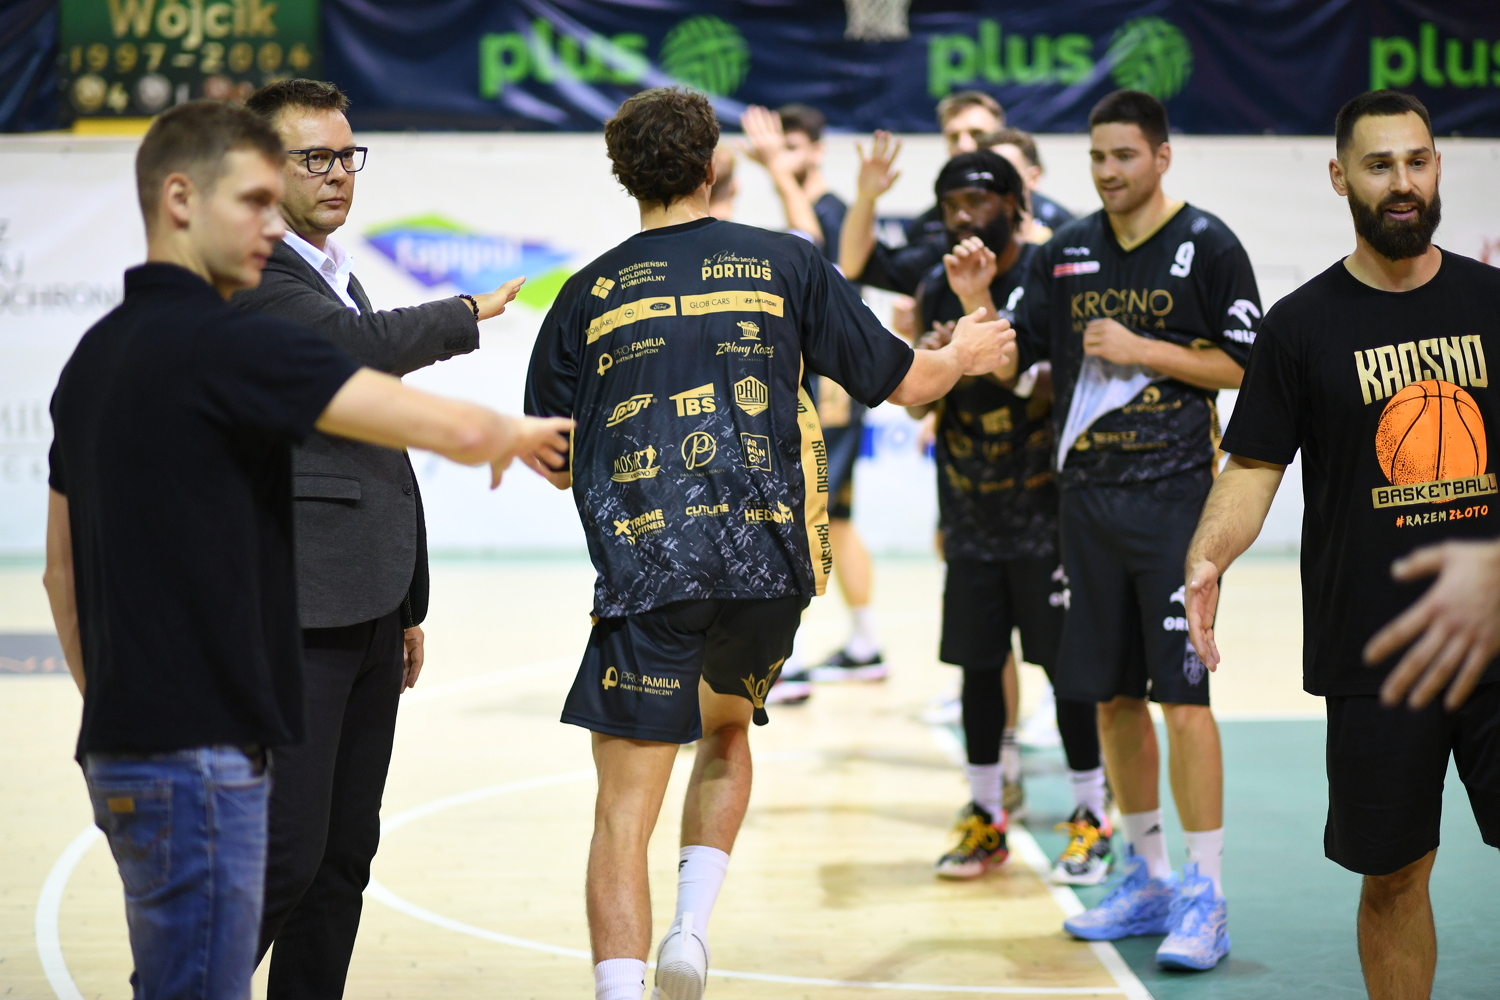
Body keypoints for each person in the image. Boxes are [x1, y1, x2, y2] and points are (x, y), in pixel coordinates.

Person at [41, 100, 571, 1000]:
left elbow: (62, 571)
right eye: (252, 201)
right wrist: (506, 434)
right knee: (210, 960)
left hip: (132, 742)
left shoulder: (97, 353)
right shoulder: (226, 337)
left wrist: (113, 712)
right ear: (181, 199)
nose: (269, 223)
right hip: (203, 750)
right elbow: (394, 405)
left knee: (221, 945)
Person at [522, 86, 1012, 1000]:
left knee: (621, 814)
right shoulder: (786, 262)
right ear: (714, 165)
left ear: (623, 173)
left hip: (648, 573)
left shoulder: (586, 294)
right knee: (724, 732)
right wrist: (965, 355)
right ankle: (690, 932)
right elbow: (904, 382)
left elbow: (552, 457)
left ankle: (622, 989)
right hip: (766, 570)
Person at [1184, 90, 1500, 1000]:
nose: (1402, 183)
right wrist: (1209, 553)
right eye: (1379, 165)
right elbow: (1253, 465)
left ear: (1437, 168)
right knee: (1394, 875)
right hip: (1376, 651)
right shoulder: (1300, 325)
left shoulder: (1492, 303)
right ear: (1339, 177)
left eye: (1417, 161)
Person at [230, 77, 524, 999]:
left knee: (342, 854)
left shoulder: (328, 268)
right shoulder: (256, 274)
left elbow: (372, 447)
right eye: (314, 157)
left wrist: (406, 603)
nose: (338, 173)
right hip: (299, 607)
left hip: (364, 601)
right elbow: (354, 351)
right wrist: (466, 312)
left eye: (347, 155)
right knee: (286, 853)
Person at [1000, 89, 1262, 970]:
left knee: (1183, 702)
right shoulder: (1064, 251)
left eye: (1124, 155)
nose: (1108, 172)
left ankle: (1206, 894)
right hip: (1085, 509)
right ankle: (1147, 877)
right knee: (1110, 698)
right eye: (1097, 157)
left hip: (1176, 509)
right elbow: (1019, 354)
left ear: (1161, 155)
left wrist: (1143, 348)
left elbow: (1247, 365)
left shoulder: (1209, 245)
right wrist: (970, 309)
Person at [905, 151, 1111, 885]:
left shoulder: (1049, 273)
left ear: (1016, 204)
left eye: (978, 200)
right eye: (951, 203)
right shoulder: (936, 285)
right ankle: (986, 814)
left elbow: (1048, 383)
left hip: (1046, 514)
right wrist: (931, 365)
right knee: (978, 667)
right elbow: (921, 404)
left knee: (1066, 667)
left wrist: (977, 312)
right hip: (969, 511)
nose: (964, 215)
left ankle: (1092, 814)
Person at [742, 102, 884, 686]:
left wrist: (777, 170)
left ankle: (789, 657)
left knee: (797, 511)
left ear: (817, 151)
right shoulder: (802, 207)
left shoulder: (827, 210)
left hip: (830, 391)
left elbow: (823, 265)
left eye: (792, 147)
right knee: (838, 519)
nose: (781, 156)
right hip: (827, 387)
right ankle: (866, 644)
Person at [839, 91, 1006, 294]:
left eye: (977, 134)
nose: (964, 146)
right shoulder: (934, 224)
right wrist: (866, 197)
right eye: (953, 137)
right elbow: (855, 267)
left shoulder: (1033, 214)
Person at [984, 126, 1075, 243]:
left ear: (1033, 178)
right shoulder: (966, 239)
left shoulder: (1061, 242)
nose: (994, 180)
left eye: (1006, 170)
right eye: (985, 171)